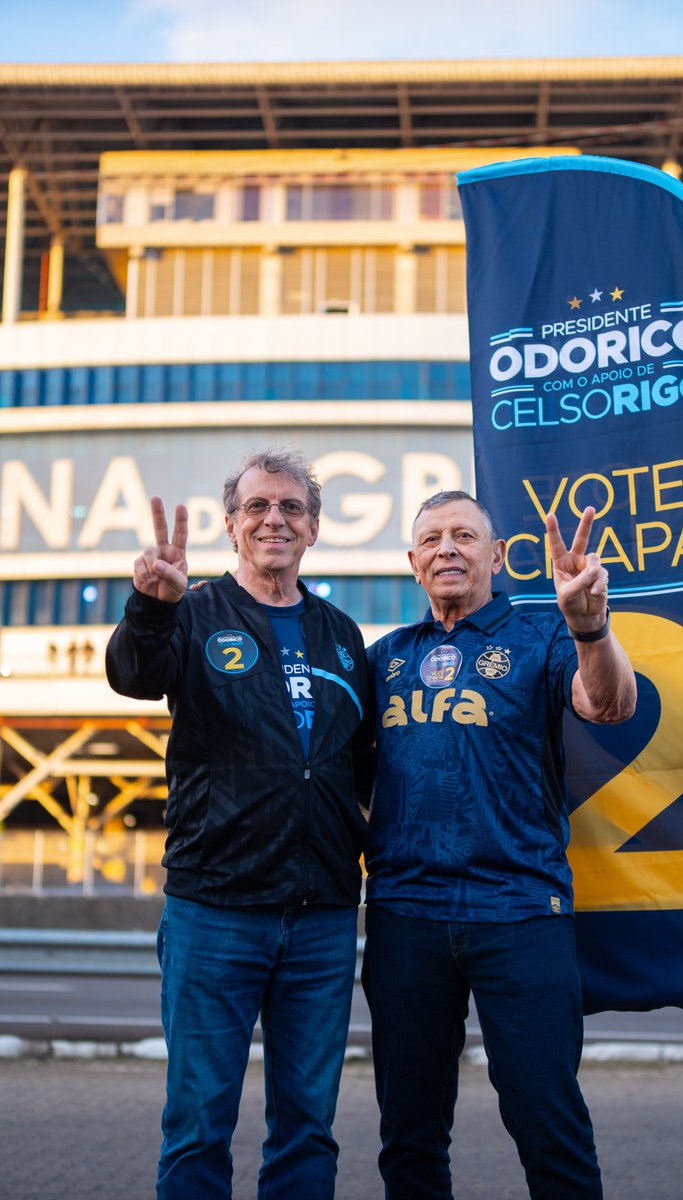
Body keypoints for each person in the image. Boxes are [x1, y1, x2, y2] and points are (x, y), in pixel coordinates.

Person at [105, 447, 372, 1200]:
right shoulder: (192, 614)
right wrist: (150, 605)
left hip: (321, 916)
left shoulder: (342, 636)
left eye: (290, 507)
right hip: (214, 910)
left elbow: (363, 764)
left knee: (308, 1126)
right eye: (257, 506)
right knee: (197, 1122)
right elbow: (133, 672)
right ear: (231, 526)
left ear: (314, 528)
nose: (273, 519)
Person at [362, 490, 637, 1200]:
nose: (446, 548)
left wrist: (590, 627)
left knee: (549, 1126)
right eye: (431, 539)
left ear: (497, 555)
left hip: (520, 911)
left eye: (463, 535)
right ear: (413, 563)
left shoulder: (543, 635)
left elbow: (608, 704)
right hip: (404, 916)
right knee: (410, 1138)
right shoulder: (384, 658)